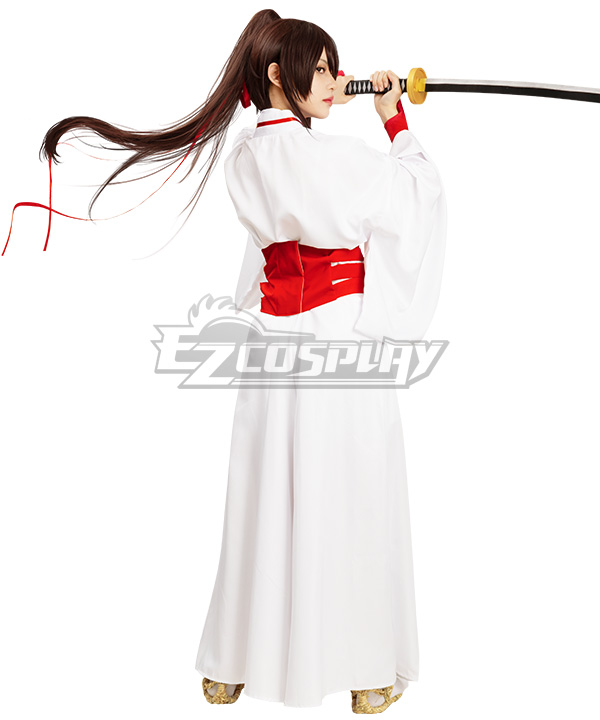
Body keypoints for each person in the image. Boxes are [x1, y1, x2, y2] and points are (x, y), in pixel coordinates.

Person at [37, 8, 447, 714]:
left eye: (334, 67)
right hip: (337, 343)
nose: (334, 79)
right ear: (277, 75)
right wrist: (395, 120)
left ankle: (233, 662)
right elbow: (418, 193)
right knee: (353, 490)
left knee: (266, 495)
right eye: (320, 68)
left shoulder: (247, 157)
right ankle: (367, 666)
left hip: (275, 341)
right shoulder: (334, 158)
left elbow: (268, 248)